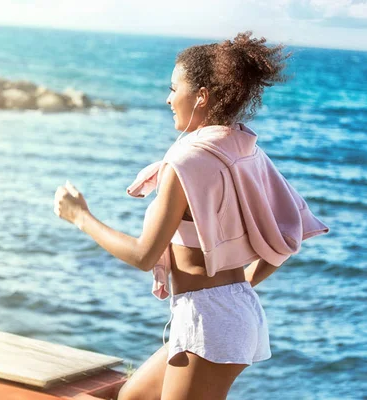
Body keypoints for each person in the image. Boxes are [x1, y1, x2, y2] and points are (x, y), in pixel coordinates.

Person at [54, 31, 329, 400]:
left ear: (201, 95)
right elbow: (287, 239)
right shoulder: (244, 150)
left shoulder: (184, 162)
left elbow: (144, 255)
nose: (168, 99)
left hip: (210, 321)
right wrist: (235, 291)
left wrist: (79, 217)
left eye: (173, 88)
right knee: (131, 397)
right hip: (223, 311)